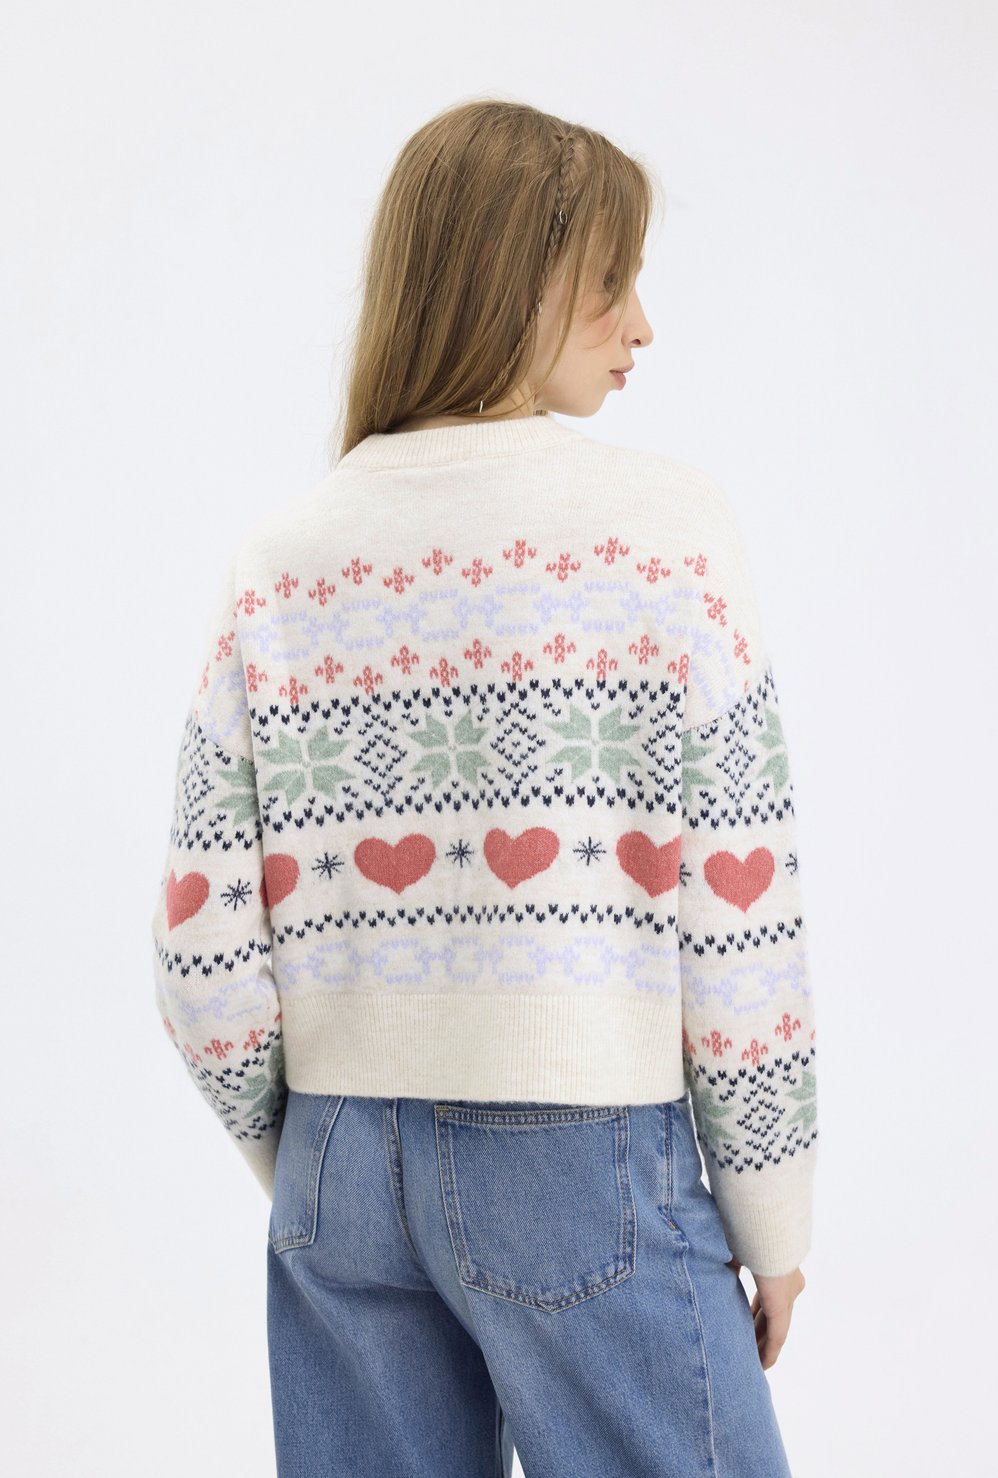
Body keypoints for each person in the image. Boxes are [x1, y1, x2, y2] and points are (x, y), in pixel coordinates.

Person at [150, 97, 818, 1478]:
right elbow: (737, 904)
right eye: (611, 283)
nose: (643, 327)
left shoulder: (285, 554)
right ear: (519, 282)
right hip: (584, 1164)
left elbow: (201, 947)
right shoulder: (665, 530)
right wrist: (775, 1213)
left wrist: (322, 1162)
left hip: (338, 1166)